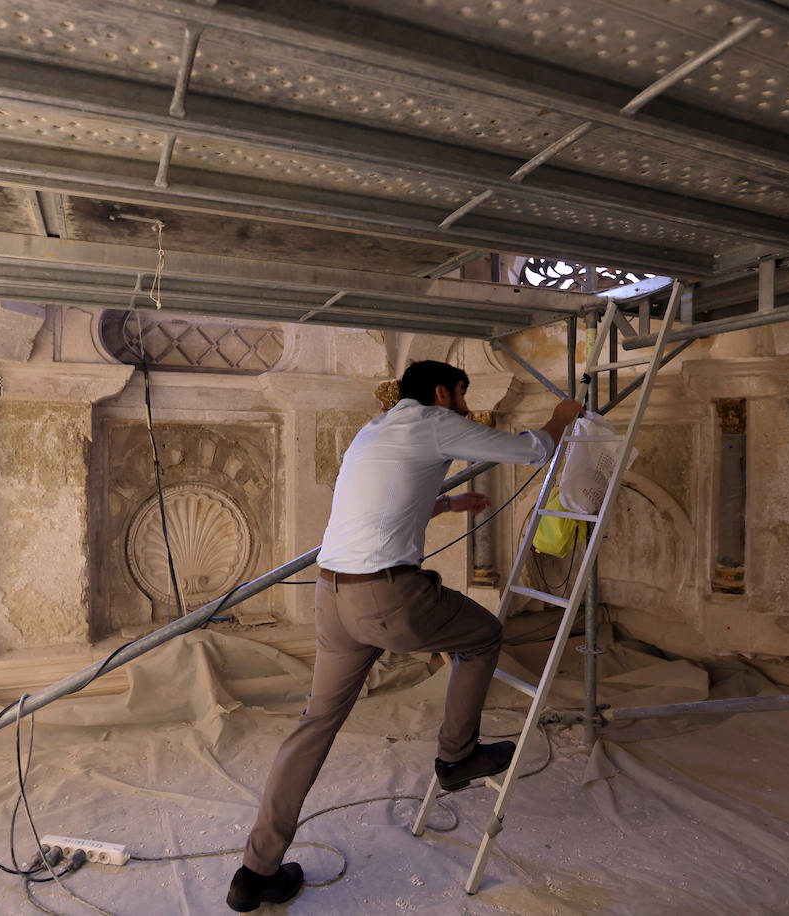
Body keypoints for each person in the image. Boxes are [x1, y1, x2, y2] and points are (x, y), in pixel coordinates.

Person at [226, 359, 583, 912]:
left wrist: (447, 503)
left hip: (332, 595)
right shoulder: (435, 422)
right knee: (484, 635)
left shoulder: (374, 431)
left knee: (314, 725)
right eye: (463, 396)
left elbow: (384, 501)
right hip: (386, 598)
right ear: (442, 392)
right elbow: (532, 449)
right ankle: (456, 756)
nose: (466, 408)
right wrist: (561, 418)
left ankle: (254, 872)